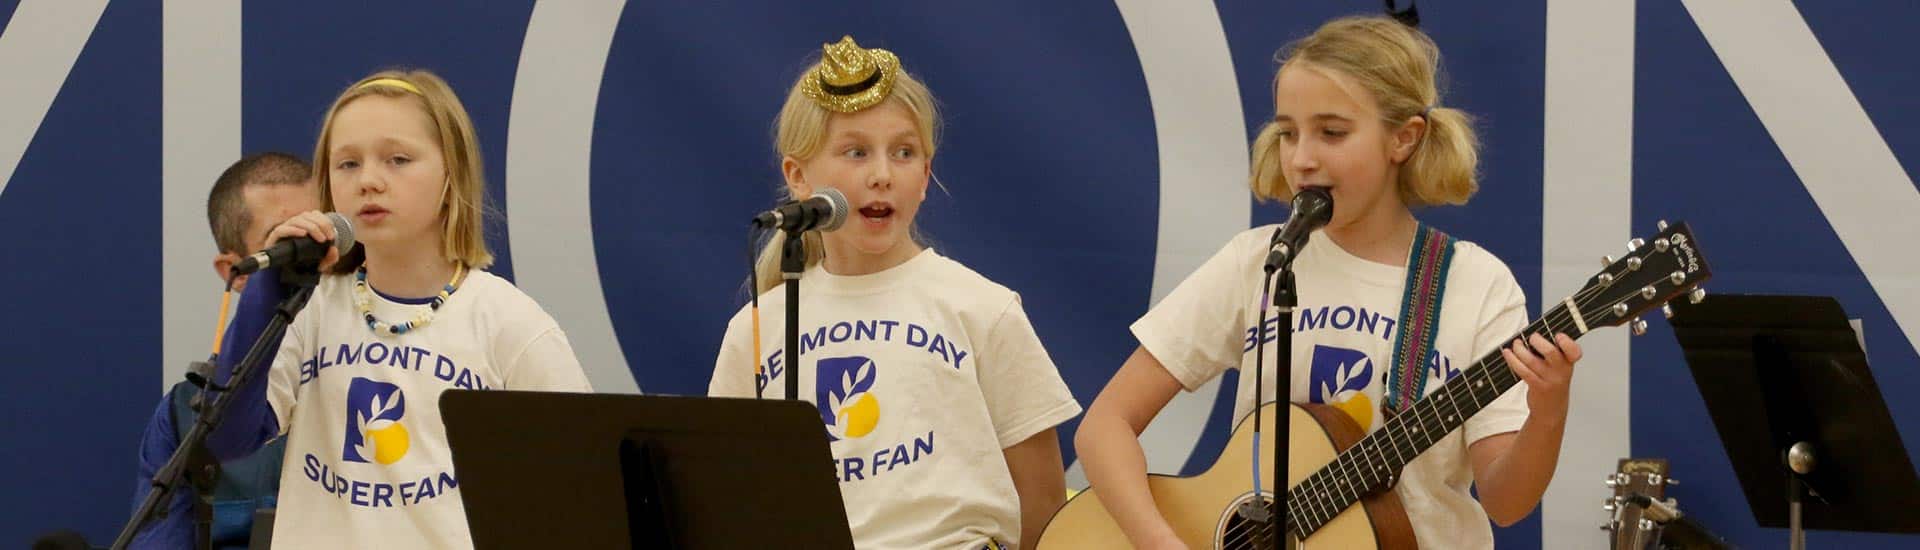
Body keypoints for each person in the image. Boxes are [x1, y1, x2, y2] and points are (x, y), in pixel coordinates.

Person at [1072, 16, 1584, 549]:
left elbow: (1507, 504)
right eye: (1288, 133)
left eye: (1332, 133)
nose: (1302, 158)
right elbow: (1104, 426)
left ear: (1404, 139)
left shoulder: (1475, 284)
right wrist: (1159, 541)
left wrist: (1548, 411)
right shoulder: (1258, 262)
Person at [708, 36, 1081, 550]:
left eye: (903, 153)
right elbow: (724, 501)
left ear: (925, 176)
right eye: (856, 152)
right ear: (797, 177)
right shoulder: (759, 328)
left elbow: (1043, 510)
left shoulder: (981, 309)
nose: (882, 175)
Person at [204, 69, 592, 548]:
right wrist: (267, 290)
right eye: (346, 164)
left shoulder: (510, 324)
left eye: (398, 159)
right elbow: (228, 440)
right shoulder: (308, 307)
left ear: (452, 173)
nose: (369, 180)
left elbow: (584, 485)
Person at [130, 152, 317, 549]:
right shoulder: (188, 416)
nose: (316, 256)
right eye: (289, 242)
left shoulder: (387, 373)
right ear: (235, 272)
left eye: (321, 234)